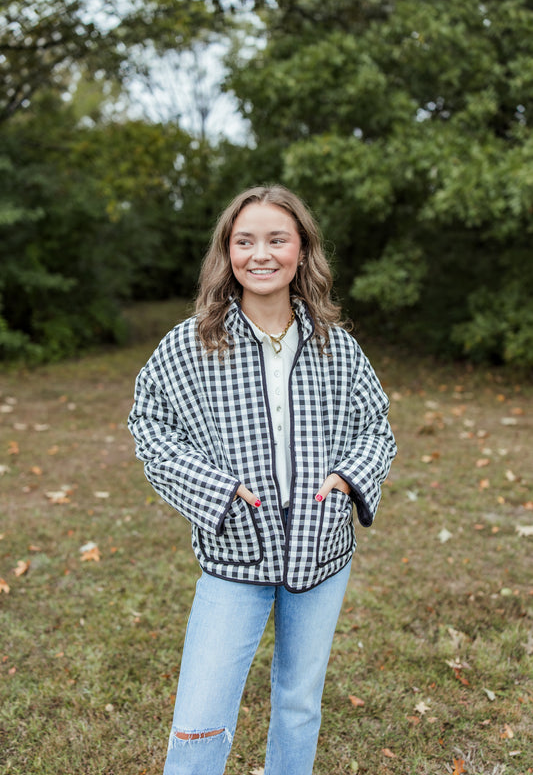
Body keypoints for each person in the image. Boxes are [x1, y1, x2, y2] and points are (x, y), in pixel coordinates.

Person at [128, 184, 396, 775]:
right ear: (228, 253)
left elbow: (374, 427)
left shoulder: (337, 347)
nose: (261, 254)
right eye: (245, 241)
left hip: (320, 552)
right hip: (234, 554)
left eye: (278, 239)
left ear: (302, 250)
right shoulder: (191, 343)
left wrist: (349, 480)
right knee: (201, 716)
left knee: (299, 703)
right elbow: (149, 425)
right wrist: (215, 493)